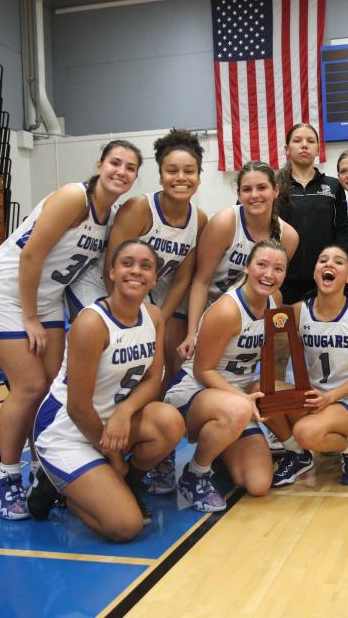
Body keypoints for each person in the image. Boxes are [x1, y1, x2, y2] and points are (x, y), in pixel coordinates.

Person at [0, 140, 142, 520]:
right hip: (5, 294)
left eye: (130, 168)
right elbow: (32, 255)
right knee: (29, 386)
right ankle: (8, 477)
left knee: (51, 391)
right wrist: (30, 317)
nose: (121, 172)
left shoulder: (107, 216)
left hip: (46, 299)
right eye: (115, 162)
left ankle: (43, 473)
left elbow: (83, 277)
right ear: (99, 164)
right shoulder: (72, 197)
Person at [26, 239, 185, 541]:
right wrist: (113, 457)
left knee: (170, 421)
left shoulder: (153, 315)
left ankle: (127, 486)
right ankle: (59, 485)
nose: (135, 271)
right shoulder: (91, 323)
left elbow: (154, 379)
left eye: (145, 266)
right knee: (125, 527)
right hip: (67, 430)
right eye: (127, 263)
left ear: (154, 277)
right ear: (111, 272)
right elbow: (78, 408)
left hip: (111, 422)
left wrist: (125, 411)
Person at [102, 129, 209, 494]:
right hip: (115, 296)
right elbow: (110, 266)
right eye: (172, 170)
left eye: (189, 170)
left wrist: (158, 317)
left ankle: (159, 454)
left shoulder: (200, 219)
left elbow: (183, 277)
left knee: (167, 375)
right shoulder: (139, 209)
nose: (181, 178)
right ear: (160, 174)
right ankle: (101, 448)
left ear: (199, 174)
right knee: (118, 372)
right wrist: (127, 317)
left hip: (159, 302)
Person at [163, 239, 288, 511]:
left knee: (257, 483)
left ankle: (218, 446)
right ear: (247, 266)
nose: (269, 274)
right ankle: (195, 475)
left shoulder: (274, 302)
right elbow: (202, 370)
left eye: (278, 268)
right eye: (262, 265)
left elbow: (271, 355)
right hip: (194, 392)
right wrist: (245, 400)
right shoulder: (228, 310)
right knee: (239, 409)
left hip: (234, 399)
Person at [268, 245, 348, 486]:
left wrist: (330, 399)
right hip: (317, 397)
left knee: (306, 432)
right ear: (315, 271)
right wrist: (276, 397)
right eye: (323, 260)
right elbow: (278, 357)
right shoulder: (298, 311)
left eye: (338, 262)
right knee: (261, 392)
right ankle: (298, 455)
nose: (329, 264)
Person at [181, 161, 298, 360]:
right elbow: (201, 280)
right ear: (238, 194)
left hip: (247, 316)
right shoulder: (225, 222)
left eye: (262, 187)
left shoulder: (288, 236)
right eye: (247, 189)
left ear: (276, 190)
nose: (254, 195)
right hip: (209, 309)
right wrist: (192, 333)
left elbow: (272, 287)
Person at [275, 123, 348, 305]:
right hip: (281, 281)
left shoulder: (334, 186)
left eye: (310, 141)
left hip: (323, 281)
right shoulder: (273, 186)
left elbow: (341, 232)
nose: (304, 145)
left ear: (318, 149)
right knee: (284, 333)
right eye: (297, 140)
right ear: (287, 149)